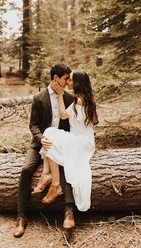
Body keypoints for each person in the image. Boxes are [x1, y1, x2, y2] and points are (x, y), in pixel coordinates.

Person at [13, 64, 75, 238]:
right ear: (56, 78)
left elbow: (71, 126)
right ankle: (21, 216)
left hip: (59, 144)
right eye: (65, 78)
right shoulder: (39, 98)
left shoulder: (69, 98)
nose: (68, 81)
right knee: (26, 170)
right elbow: (33, 125)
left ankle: (69, 211)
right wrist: (42, 139)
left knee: (65, 167)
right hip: (40, 143)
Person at [35, 70, 98, 212]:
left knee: (49, 133)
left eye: (70, 80)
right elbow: (94, 121)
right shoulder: (88, 99)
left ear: (77, 83)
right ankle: (47, 175)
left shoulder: (78, 100)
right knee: (50, 136)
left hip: (79, 141)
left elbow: (63, 115)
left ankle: (55, 183)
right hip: (86, 139)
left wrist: (59, 95)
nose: (68, 82)